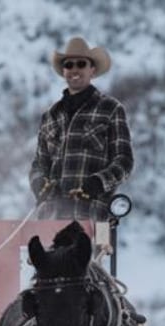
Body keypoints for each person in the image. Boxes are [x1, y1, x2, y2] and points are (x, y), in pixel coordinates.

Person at [29, 36, 134, 220]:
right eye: (69, 65)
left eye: (81, 64)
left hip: (93, 217)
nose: (74, 69)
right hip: (51, 218)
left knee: (97, 250)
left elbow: (124, 161)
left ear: (92, 70)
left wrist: (98, 182)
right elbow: (39, 164)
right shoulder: (50, 116)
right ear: (63, 71)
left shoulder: (111, 109)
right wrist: (39, 183)